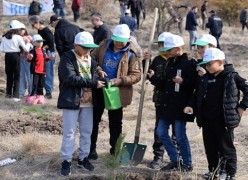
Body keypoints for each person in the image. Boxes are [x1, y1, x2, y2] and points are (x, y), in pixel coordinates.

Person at [184, 48, 248, 180]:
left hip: (224, 121)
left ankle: (229, 174)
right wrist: (190, 105)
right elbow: (196, 94)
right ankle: (213, 171)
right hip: (207, 120)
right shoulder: (205, 78)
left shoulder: (232, 76)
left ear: (220, 62)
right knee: (210, 148)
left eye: (210, 64)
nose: (207, 67)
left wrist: (242, 107)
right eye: (206, 64)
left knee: (226, 149)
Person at [89, 24, 141, 159]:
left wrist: (119, 81)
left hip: (117, 92)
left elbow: (136, 75)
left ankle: (115, 150)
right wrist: (99, 70)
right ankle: (90, 150)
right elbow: (92, 59)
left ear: (128, 39)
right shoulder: (103, 45)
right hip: (99, 87)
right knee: (93, 120)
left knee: (116, 122)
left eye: (121, 41)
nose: (118, 43)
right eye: (116, 39)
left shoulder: (132, 54)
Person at [57, 31, 105, 176]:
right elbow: (70, 78)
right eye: (84, 47)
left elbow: (94, 72)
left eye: (90, 48)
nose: (87, 50)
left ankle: (83, 158)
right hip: (72, 100)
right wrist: (94, 82)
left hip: (89, 102)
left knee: (86, 131)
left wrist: (100, 74)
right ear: (76, 45)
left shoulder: (90, 59)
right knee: (69, 133)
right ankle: (66, 160)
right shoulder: (67, 58)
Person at [148, 34, 197, 172]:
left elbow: (195, 86)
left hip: (181, 105)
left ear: (178, 48)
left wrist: (184, 82)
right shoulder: (171, 62)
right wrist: (153, 78)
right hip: (167, 104)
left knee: (180, 135)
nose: (166, 52)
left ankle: (187, 164)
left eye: (169, 49)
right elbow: (165, 84)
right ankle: (175, 160)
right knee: (161, 131)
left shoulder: (189, 63)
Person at [142, 32, 178, 170]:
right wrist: (145, 62)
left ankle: (176, 158)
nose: (162, 47)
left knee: (177, 131)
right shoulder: (157, 60)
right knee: (160, 130)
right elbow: (147, 75)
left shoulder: (178, 60)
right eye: (160, 44)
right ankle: (158, 156)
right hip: (160, 100)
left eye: (164, 44)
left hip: (176, 101)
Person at [0, 20, 32, 101]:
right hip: (16, 56)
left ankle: (8, 94)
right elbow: (26, 49)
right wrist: (28, 43)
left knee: (9, 76)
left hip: (7, 56)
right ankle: (16, 96)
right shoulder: (18, 37)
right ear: (17, 29)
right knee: (17, 76)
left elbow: (1, 49)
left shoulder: (4, 37)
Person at [29, 15, 56, 99]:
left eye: (33, 25)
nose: (32, 27)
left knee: (47, 72)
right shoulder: (40, 31)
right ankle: (40, 92)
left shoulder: (46, 31)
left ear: (37, 22)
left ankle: (48, 92)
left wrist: (42, 49)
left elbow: (51, 43)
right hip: (41, 53)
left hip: (48, 53)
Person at [25, 35, 55, 105]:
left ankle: (40, 97)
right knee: (34, 84)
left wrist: (50, 58)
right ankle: (31, 98)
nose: (41, 43)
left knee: (41, 85)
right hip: (35, 71)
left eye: (41, 41)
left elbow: (46, 59)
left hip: (42, 71)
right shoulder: (32, 51)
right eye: (39, 42)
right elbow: (29, 59)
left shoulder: (43, 50)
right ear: (34, 43)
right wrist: (29, 57)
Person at [19, 30, 33, 98]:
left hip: (27, 58)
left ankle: (31, 92)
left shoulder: (28, 37)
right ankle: (21, 92)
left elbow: (30, 47)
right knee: (21, 75)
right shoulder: (16, 37)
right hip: (20, 58)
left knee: (29, 75)